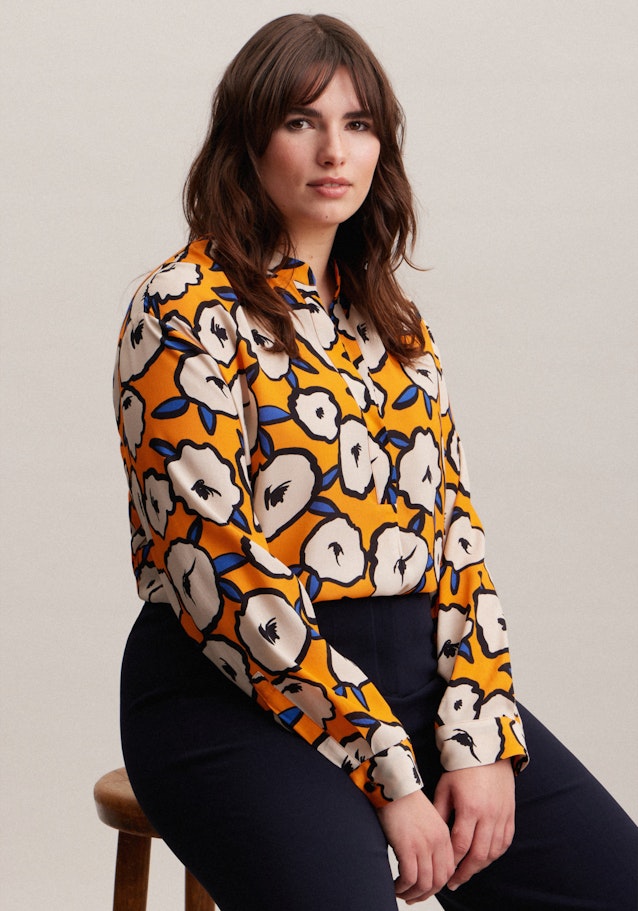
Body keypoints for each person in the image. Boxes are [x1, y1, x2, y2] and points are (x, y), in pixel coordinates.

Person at [113, 13, 637, 910]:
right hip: (234, 692)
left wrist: (481, 733)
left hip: (419, 687)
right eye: (301, 121)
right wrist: (387, 768)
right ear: (248, 139)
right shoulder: (183, 306)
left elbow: (455, 536)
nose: (334, 151)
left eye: (357, 125)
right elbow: (215, 568)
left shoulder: (394, 324)